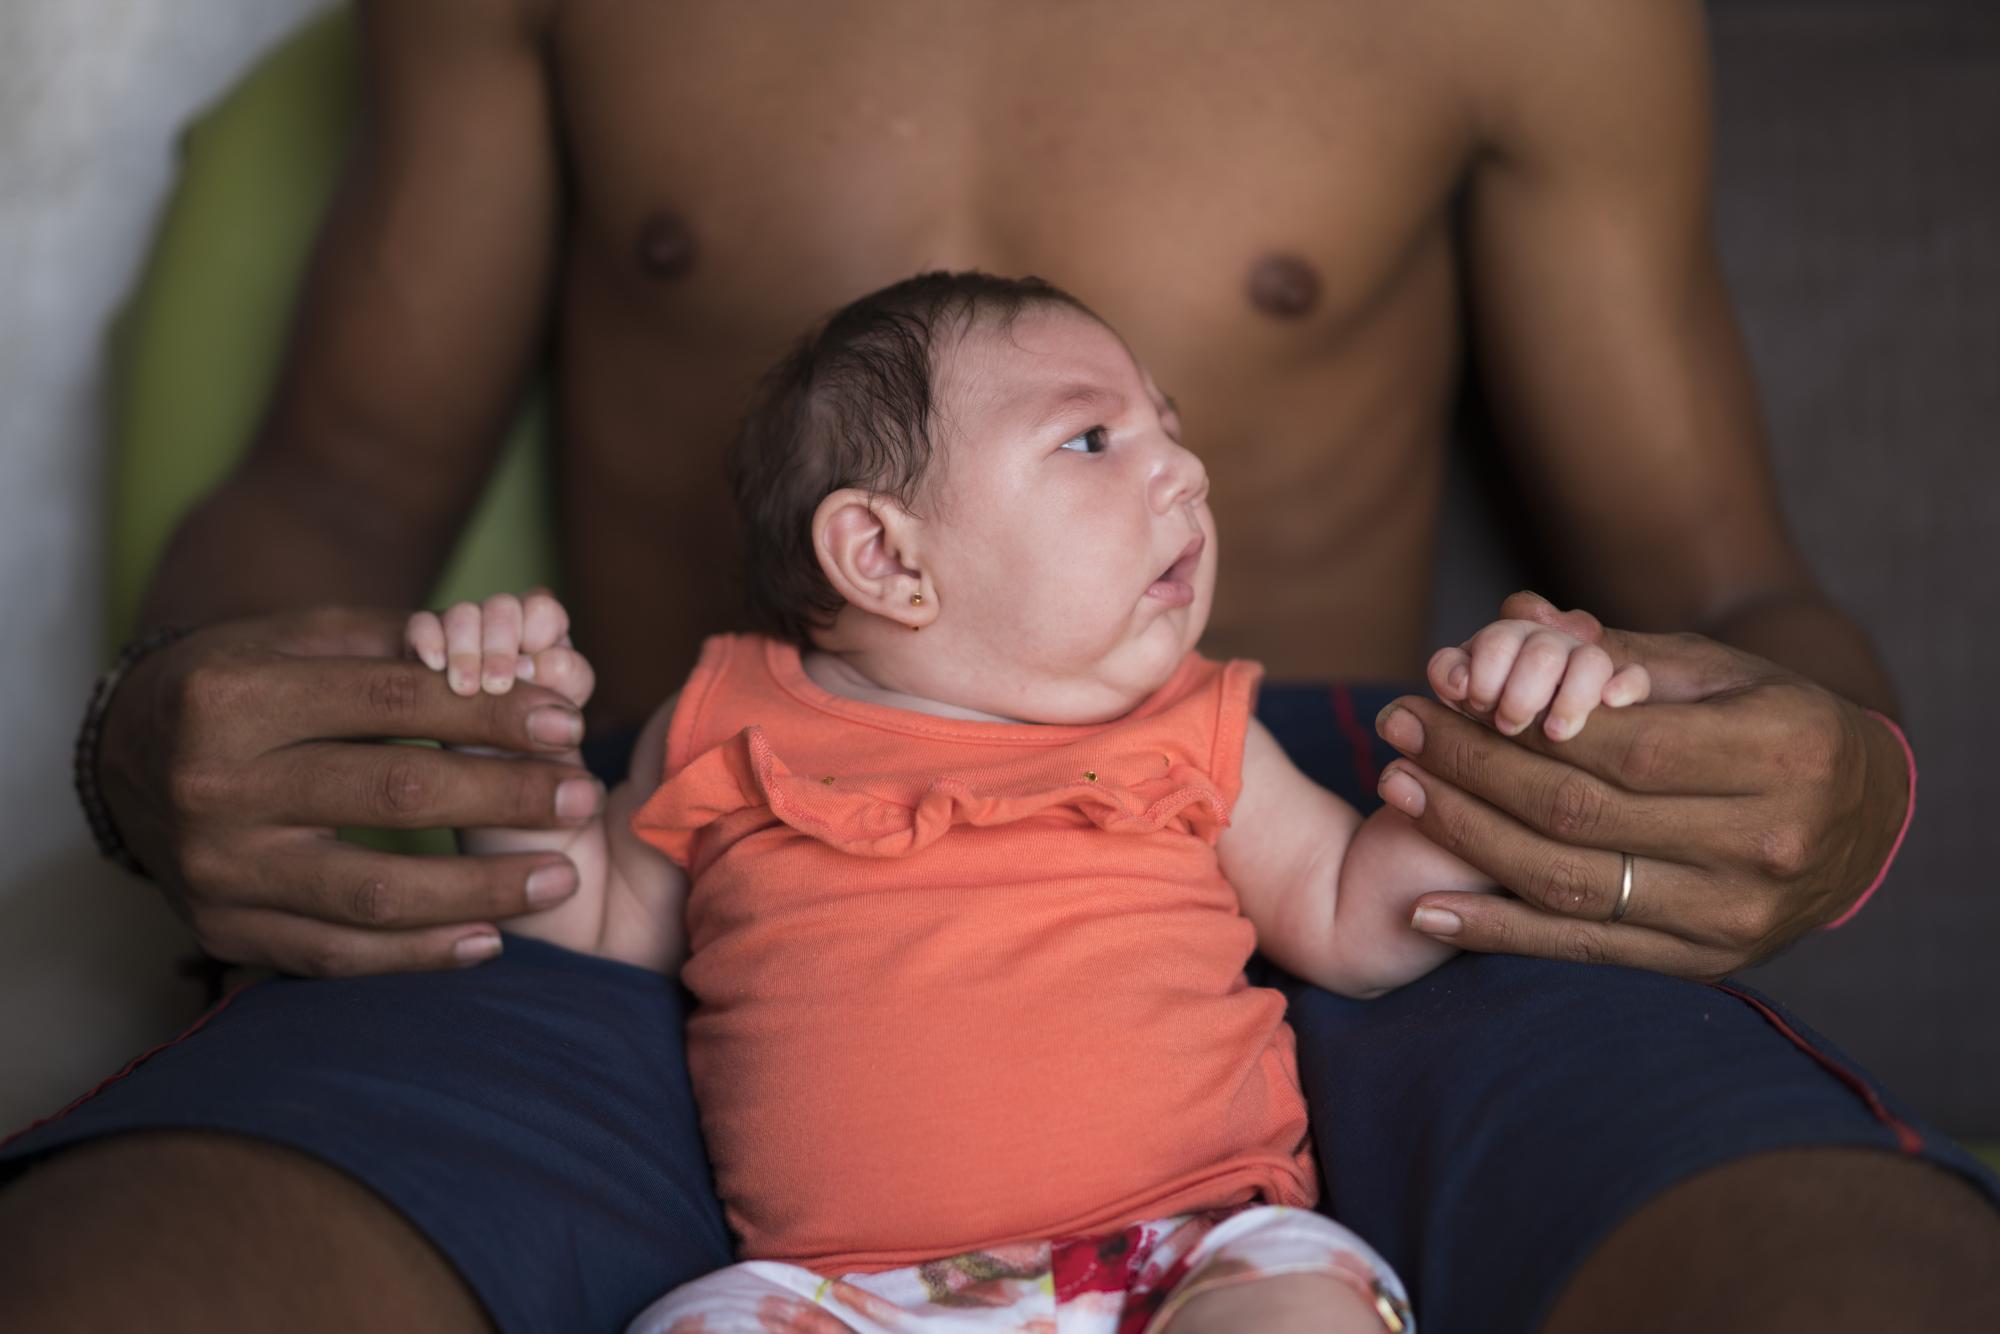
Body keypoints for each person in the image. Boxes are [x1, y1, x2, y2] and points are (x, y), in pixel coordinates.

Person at [2, 2, 1996, 1332]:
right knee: (117, 1275)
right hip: (687, 835)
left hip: (1305, 804)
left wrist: (1849, 790)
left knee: (1855, 1278)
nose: (1168, 463)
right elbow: (336, 480)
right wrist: (157, 722)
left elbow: (1738, 592)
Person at [404, 271, 1652, 1333]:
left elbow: (1358, 919)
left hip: (1192, 1252)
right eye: (1091, 440)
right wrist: (509, 750)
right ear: (886, 558)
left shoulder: (1196, 722)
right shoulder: (728, 720)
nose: (1183, 469)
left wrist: (1509, 731)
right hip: (837, 1296)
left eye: (1167, 427)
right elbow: (594, 926)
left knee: (1299, 1303)